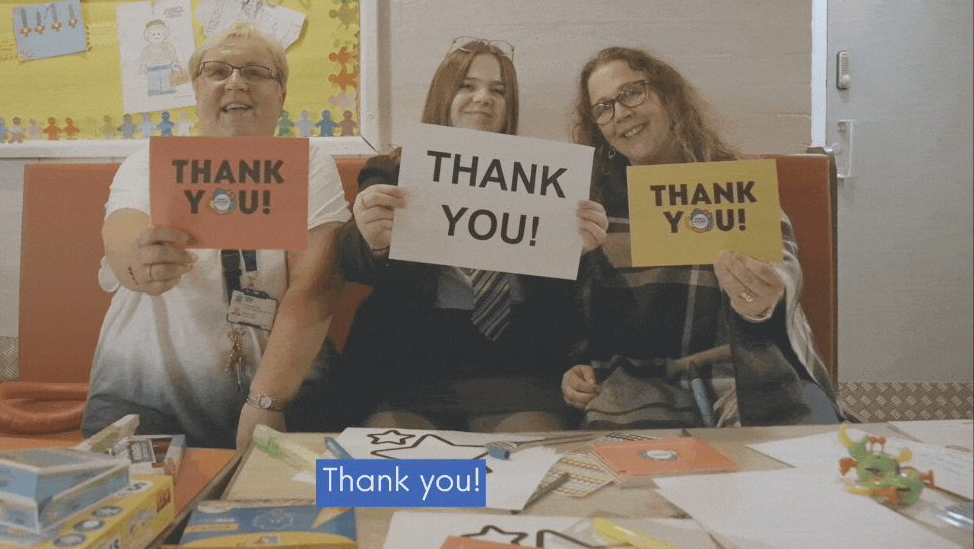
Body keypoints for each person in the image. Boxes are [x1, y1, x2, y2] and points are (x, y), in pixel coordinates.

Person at [81, 22, 352, 450]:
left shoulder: (311, 165)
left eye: (256, 72)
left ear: (281, 96)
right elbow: (119, 230)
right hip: (142, 389)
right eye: (217, 71)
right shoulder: (148, 161)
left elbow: (316, 286)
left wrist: (267, 402)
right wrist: (139, 258)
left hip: (284, 383)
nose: (235, 83)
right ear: (196, 90)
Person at [335, 38, 608, 432]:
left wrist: (576, 254)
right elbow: (350, 260)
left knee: (525, 472)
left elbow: (565, 306)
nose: (483, 98)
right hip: (411, 365)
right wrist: (371, 241)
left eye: (498, 90)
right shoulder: (392, 170)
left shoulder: (546, 177)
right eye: (467, 85)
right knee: (397, 483)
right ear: (443, 94)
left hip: (517, 365)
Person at [561, 46, 840, 428]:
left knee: (797, 461)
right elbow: (574, 318)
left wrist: (766, 294)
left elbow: (781, 264)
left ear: (668, 96)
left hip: (745, 374)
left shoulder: (731, 180)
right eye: (603, 107)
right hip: (636, 387)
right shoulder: (592, 208)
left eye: (631, 93)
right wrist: (573, 367)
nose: (620, 113)